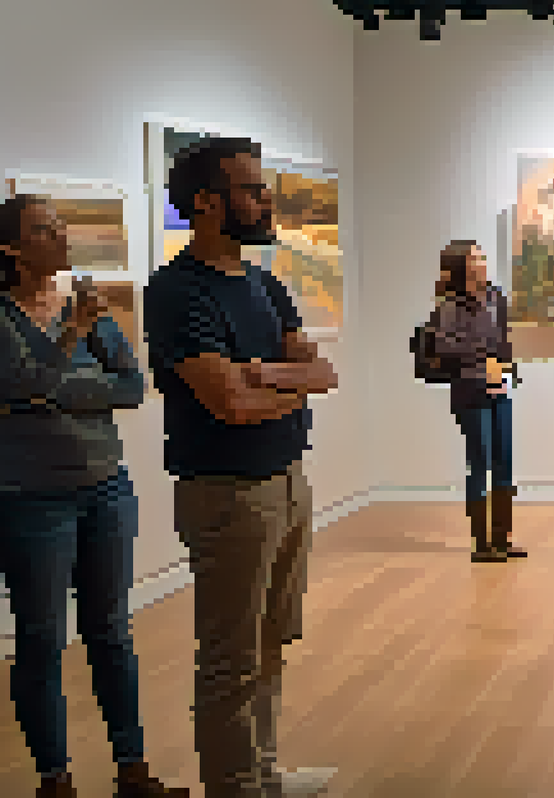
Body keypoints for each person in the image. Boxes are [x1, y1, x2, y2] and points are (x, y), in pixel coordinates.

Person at [142, 137, 339, 798]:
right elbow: (227, 403)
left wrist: (262, 374)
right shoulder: (177, 292)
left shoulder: (264, 284)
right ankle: (237, 787)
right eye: (252, 189)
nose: (266, 200)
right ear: (206, 203)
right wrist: (283, 385)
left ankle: (263, 774)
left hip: (287, 482)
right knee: (232, 659)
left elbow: (323, 372)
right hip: (227, 495)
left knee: (273, 643)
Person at [0, 196, 188, 798]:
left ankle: (132, 768)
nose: (60, 234)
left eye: (59, 224)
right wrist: (71, 347)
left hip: (107, 489)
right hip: (30, 499)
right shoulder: (7, 318)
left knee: (110, 629)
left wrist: (54, 389)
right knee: (40, 636)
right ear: (11, 248)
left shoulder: (89, 307)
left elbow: (132, 386)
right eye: (43, 229)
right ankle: (54, 779)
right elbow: (21, 380)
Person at [424, 239, 523, 561]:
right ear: (462, 265)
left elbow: (504, 339)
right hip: (470, 390)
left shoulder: (496, 297)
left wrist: (508, 371)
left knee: (504, 462)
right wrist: (482, 357)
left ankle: (503, 539)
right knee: (480, 463)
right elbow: (444, 349)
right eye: (475, 257)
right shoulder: (449, 305)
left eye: (481, 256)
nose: (482, 261)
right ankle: (482, 545)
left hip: (499, 387)